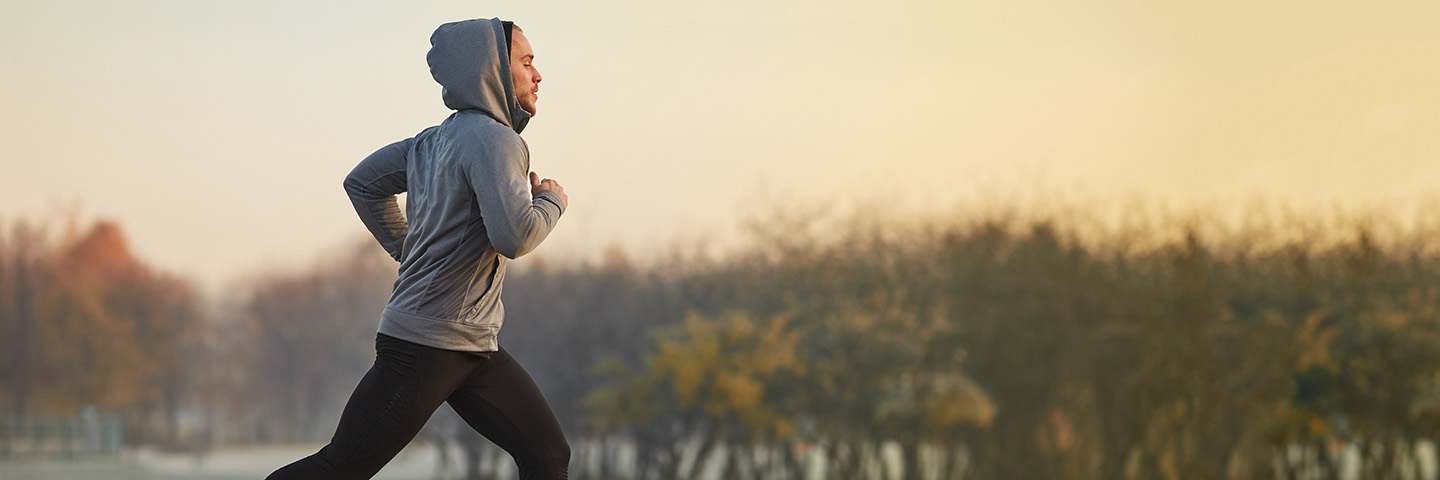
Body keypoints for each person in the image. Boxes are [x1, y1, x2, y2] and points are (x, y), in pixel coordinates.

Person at [266, 17, 570, 480]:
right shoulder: (496, 140)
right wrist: (549, 200)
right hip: (425, 345)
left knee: (548, 456)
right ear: (490, 70)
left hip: (474, 346)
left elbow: (363, 183)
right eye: (526, 62)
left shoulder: (432, 141)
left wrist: (410, 250)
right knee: (341, 467)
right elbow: (515, 236)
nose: (538, 74)